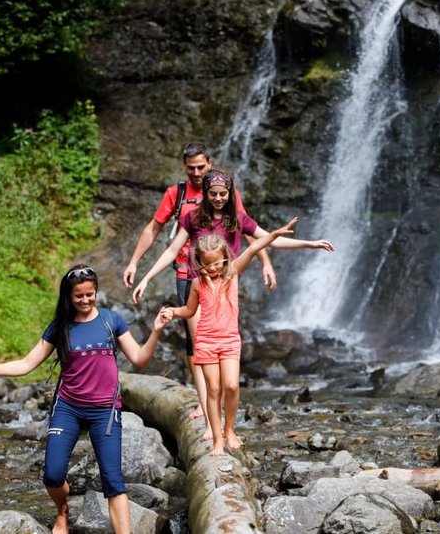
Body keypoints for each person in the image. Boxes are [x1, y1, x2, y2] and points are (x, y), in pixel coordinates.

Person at [0, 265, 171, 534]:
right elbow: (27, 364)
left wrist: (156, 331)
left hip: (104, 412)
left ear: (96, 292)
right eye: (79, 296)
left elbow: (140, 359)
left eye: (90, 294)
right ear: (68, 297)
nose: (85, 300)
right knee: (52, 475)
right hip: (68, 408)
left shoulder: (111, 320)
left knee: (113, 481)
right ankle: (62, 511)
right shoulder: (60, 327)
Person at [132, 168, 334, 440]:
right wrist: (147, 277)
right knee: (201, 354)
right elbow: (171, 250)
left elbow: (266, 239)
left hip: (226, 286)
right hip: (198, 285)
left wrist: (310, 244)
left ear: (230, 194)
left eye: (223, 194)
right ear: (205, 193)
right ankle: (208, 423)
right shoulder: (192, 217)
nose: (217, 198)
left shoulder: (237, 219)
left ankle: (226, 428)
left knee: (225, 361)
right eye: (213, 194)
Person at [122, 143, 275, 421]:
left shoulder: (223, 192)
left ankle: (214, 409)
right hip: (188, 273)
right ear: (184, 166)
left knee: (219, 335)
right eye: (190, 168)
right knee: (197, 342)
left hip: (223, 277)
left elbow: (247, 229)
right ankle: (204, 405)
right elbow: (155, 229)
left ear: (210, 164)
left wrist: (266, 262)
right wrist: (135, 263)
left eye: (201, 167)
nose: (195, 172)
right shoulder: (177, 194)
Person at [163, 219, 299, 456]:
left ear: (225, 258)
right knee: (213, 389)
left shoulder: (232, 273)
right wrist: (173, 312)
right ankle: (217, 440)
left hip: (229, 340)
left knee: (232, 386)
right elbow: (189, 311)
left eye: (217, 262)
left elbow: (254, 248)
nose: (214, 268)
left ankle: (229, 429)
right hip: (205, 340)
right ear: (200, 264)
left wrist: (275, 233)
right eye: (208, 265)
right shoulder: (196, 283)